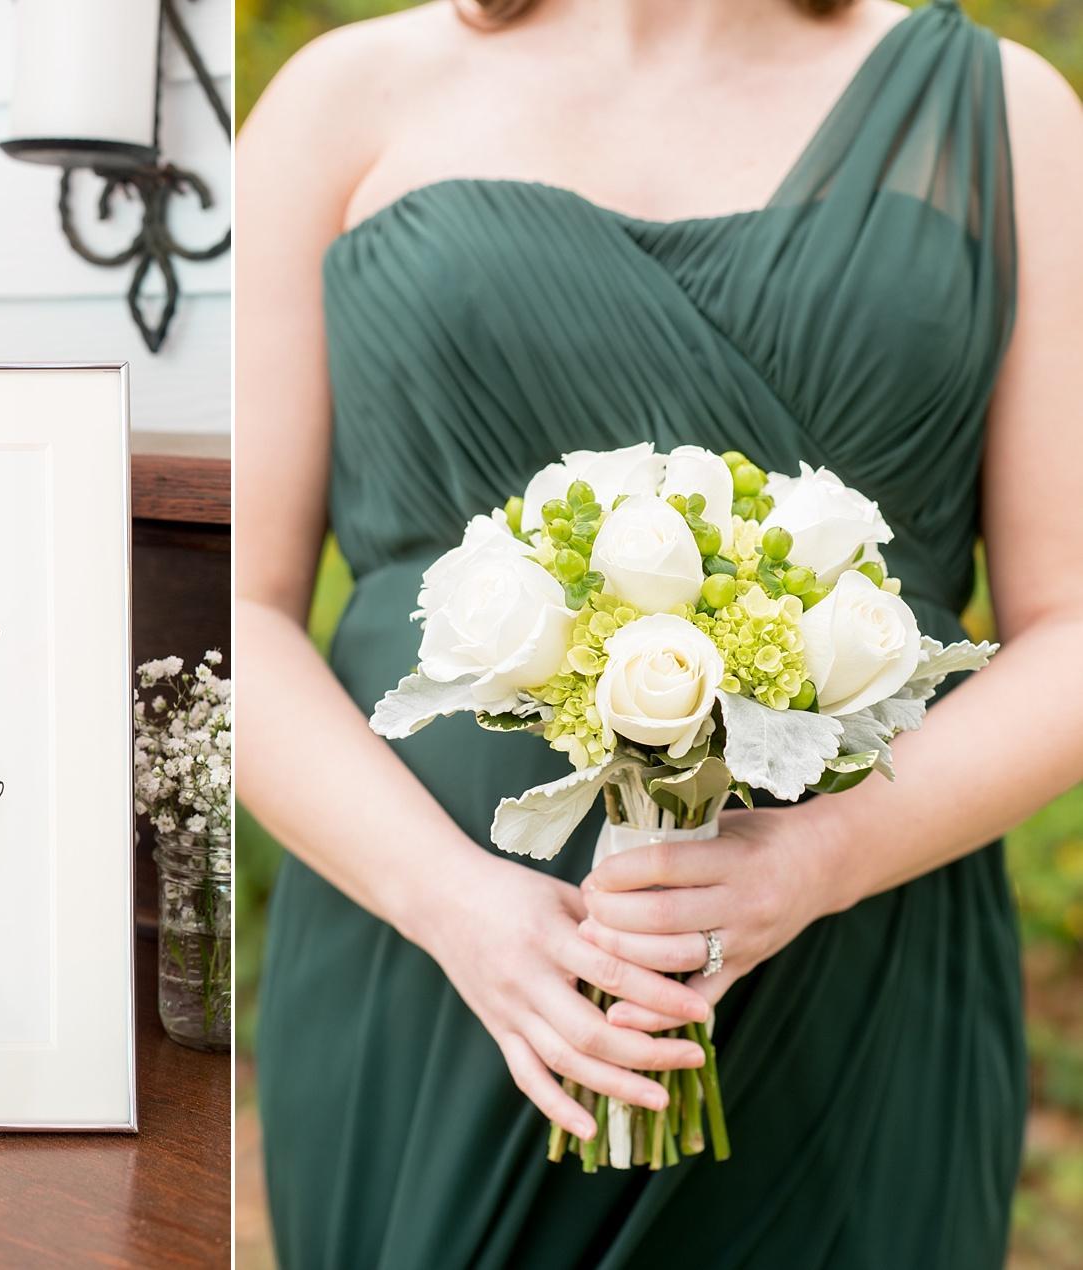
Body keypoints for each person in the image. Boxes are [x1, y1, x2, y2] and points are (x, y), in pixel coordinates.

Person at [234, 0, 1083, 1263]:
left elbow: (1070, 625)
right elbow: (232, 612)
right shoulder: (339, 98)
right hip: (429, 964)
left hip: (855, 964)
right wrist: (458, 906)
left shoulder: (1005, 117)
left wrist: (818, 858)